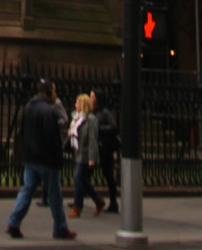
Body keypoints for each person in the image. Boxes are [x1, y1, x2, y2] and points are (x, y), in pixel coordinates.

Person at [6, 79, 76, 240]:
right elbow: (52, 138)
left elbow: (23, 131)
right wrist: (58, 158)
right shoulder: (48, 111)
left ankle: (13, 222)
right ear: (48, 92)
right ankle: (60, 227)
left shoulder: (28, 107)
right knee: (55, 195)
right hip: (47, 160)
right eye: (54, 91)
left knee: (26, 190)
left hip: (31, 158)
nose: (56, 94)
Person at [68, 93, 103, 218]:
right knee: (83, 181)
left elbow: (93, 140)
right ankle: (98, 200)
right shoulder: (76, 118)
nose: (75, 105)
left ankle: (77, 207)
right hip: (78, 153)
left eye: (77, 103)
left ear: (83, 105)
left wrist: (92, 159)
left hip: (86, 155)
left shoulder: (91, 120)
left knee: (78, 178)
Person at [91, 90, 120, 213]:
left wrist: (99, 128)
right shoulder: (93, 112)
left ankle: (113, 203)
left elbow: (114, 127)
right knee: (84, 175)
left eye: (92, 97)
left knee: (109, 176)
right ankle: (79, 201)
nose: (90, 99)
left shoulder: (105, 113)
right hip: (95, 147)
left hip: (104, 148)